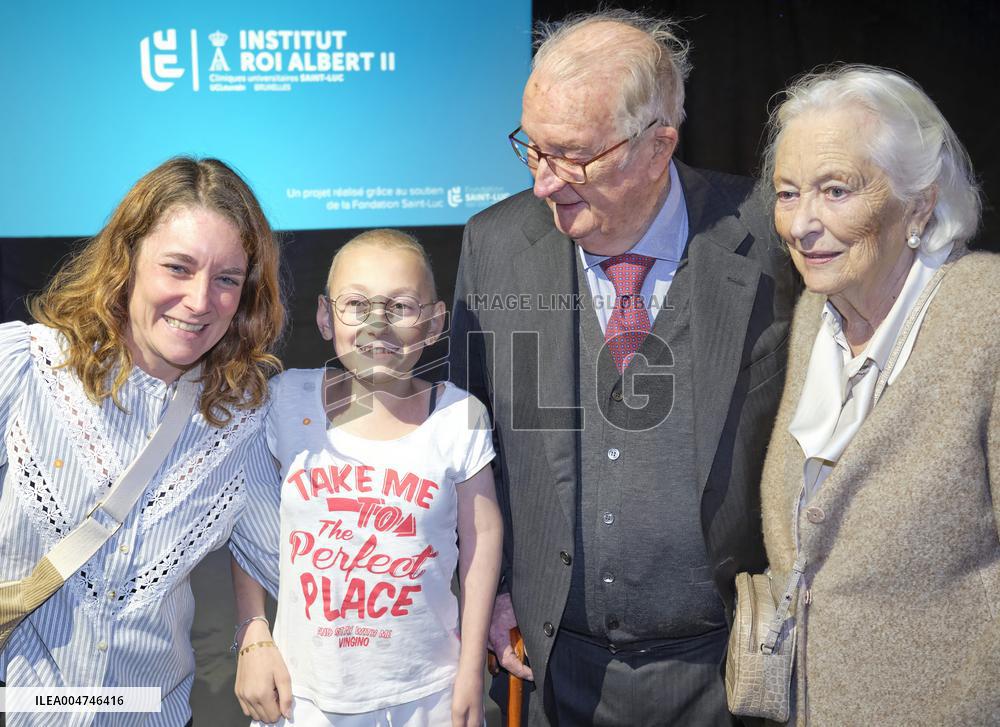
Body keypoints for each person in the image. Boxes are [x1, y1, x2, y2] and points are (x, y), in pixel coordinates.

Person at [450, 9, 798, 726]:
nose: (545, 183)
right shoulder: (494, 245)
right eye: (532, 150)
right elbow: (464, 440)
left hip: (728, 673)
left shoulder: (770, 238)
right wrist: (494, 590)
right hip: (555, 672)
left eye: (572, 156)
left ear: (658, 146)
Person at [0, 156, 285, 726]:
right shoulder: (24, 367)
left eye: (226, 278)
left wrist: (255, 631)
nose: (201, 300)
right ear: (126, 260)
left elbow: (298, 566)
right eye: (178, 268)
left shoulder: (239, 423)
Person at [758, 65, 999, 724]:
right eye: (787, 193)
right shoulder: (816, 312)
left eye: (835, 190)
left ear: (919, 203)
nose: (802, 224)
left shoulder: (986, 317)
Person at [230, 229, 503, 726]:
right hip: (304, 697)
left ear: (435, 322)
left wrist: (470, 670)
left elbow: (483, 539)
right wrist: (253, 633)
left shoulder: (460, 416)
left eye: (400, 306)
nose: (378, 324)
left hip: (427, 696)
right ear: (324, 316)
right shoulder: (285, 400)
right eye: (356, 304)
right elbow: (247, 522)